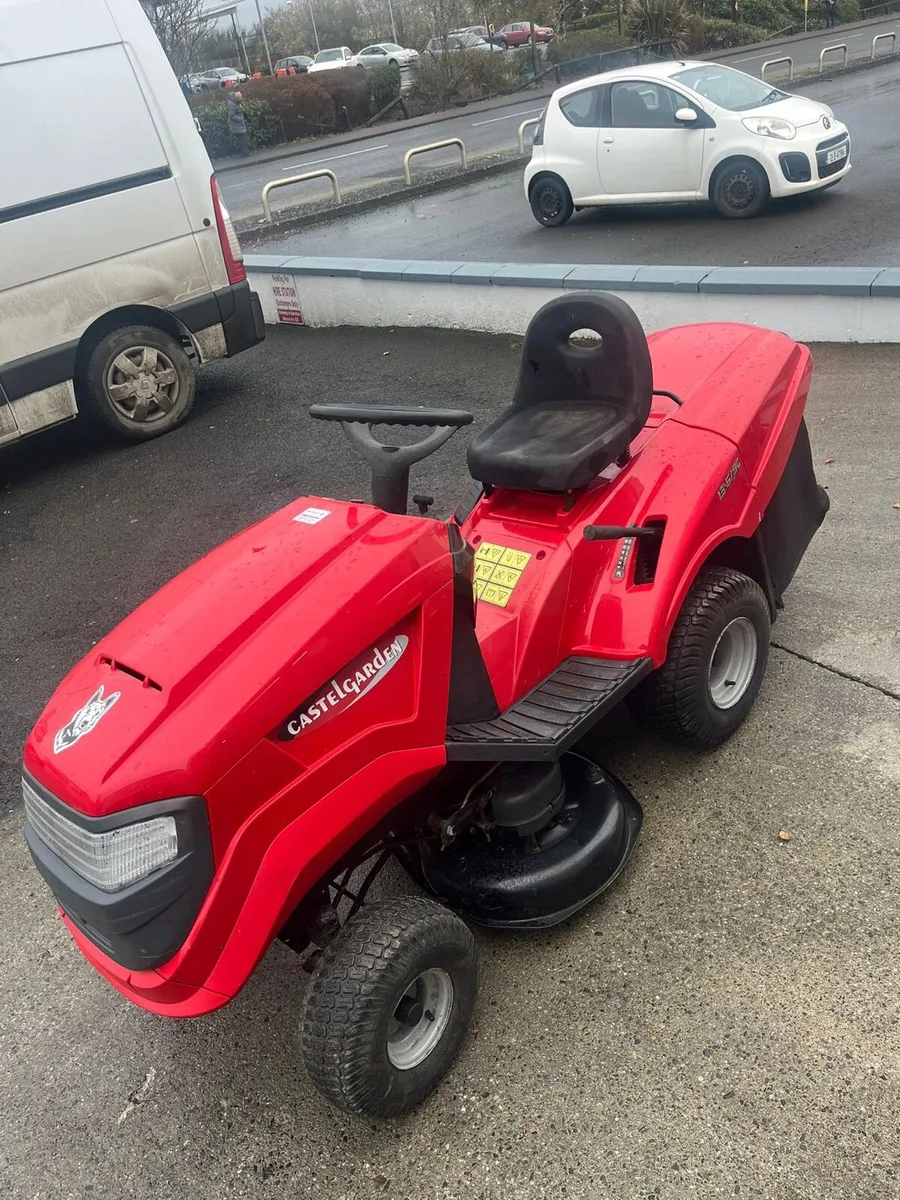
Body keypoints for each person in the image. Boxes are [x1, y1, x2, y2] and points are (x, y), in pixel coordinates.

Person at [227, 89, 249, 156]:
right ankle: (244, 153)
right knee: (242, 139)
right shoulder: (233, 105)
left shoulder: (235, 103)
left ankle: (244, 152)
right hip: (236, 125)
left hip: (239, 125)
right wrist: (239, 119)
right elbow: (231, 115)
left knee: (242, 139)